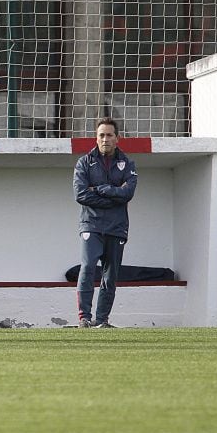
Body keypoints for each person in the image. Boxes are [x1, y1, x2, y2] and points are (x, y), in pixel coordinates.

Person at [72, 117, 138, 328]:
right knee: (88, 267)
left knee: (110, 276)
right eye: (101, 135)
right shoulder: (84, 162)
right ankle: (85, 318)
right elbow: (81, 195)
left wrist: (102, 189)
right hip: (91, 224)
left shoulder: (127, 163)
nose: (105, 139)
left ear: (117, 138)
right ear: (96, 137)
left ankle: (102, 321)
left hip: (117, 228)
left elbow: (128, 193)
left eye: (109, 135)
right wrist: (114, 195)